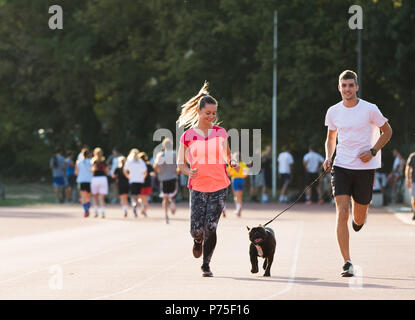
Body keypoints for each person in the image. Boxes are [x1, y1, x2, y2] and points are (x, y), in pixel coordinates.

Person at [323, 70, 392, 277]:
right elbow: (330, 138)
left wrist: (372, 151)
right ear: (339, 88)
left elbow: (387, 131)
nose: (347, 89)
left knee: (359, 216)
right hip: (341, 166)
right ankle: (347, 262)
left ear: (357, 87)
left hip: (365, 168)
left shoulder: (370, 109)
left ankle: (359, 220)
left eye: (351, 85)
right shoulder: (333, 111)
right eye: (343, 86)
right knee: (342, 212)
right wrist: (328, 156)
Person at [177, 81, 238, 277]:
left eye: (214, 113)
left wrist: (233, 162)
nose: (211, 116)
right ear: (199, 112)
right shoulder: (187, 136)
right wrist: (188, 171)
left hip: (220, 185)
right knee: (197, 230)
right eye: (208, 113)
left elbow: (228, 156)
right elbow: (180, 164)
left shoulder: (221, 133)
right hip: (198, 186)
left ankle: (206, 264)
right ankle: (197, 241)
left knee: (211, 227)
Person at [153, 138, 178, 224]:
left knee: (165, 197)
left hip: (164, 178)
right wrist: (177, 171)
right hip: (173, 177)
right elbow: (180, 165)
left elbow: (155, 166)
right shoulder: (175, 154)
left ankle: (166, 216)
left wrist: (159, 171)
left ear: (163, 146)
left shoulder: (160, 155)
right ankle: (173, 203)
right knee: (172, 195)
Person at [124, 148, 147, 218]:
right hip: (140, 181)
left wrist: (128, 176)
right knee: (139, 195)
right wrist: (143, 177)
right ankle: (141, 206)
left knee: (134, 196)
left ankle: (134, 204)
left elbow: (124, 170)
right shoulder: (141, 162)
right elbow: (145, 172)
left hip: (132, 181)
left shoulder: (129, 162)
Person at [90, 147, 109, 218]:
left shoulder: (93, 161)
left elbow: (92, 170)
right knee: (102, 197)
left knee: (95, 197)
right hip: (103, 179)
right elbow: (107, 171)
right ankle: (103, 212)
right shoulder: (104, 161)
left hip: (95, 179)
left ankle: (95, 212)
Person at [227, 153, 248, 217]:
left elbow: (228, 173)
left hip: (235, 180)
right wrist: (241, 175)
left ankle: (238, 209)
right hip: (241, 180)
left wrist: (233, 173)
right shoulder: (243, 164)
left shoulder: (233, 164)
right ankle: (239, 209)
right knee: (240, 196)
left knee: (236, 196)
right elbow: (246, 174)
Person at [75, 149, 92, 217]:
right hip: (89, 180)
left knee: (83, 196)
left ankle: (86, 210)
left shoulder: (78, 162)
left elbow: (76, 172)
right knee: (88, 196)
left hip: (81, 180)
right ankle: (87, 208)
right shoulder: (91, 161)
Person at [138, 152, 154, 217]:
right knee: (145, 199)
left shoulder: (138, 165)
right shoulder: (148, 165)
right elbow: (153, 173)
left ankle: (142, 209)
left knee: (140, 198)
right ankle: (144, 210)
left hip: (140, 183)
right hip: (147, 183)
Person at [405, 152, 415, 220]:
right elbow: (407, 168)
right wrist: (408, 180)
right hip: (414, 180)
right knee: (414, 198)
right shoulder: (412, 156)